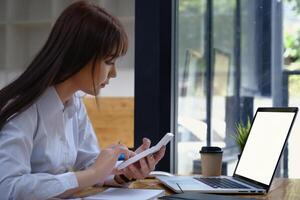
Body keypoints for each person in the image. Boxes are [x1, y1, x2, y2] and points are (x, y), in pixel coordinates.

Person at [0, 1, 166, 199]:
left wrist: (124, 172)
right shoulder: (22, 108)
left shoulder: (75, 103)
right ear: (79, 55)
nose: (113, 73)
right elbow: (8, 187)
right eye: (109, 61)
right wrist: (94, 173)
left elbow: (89, 166)